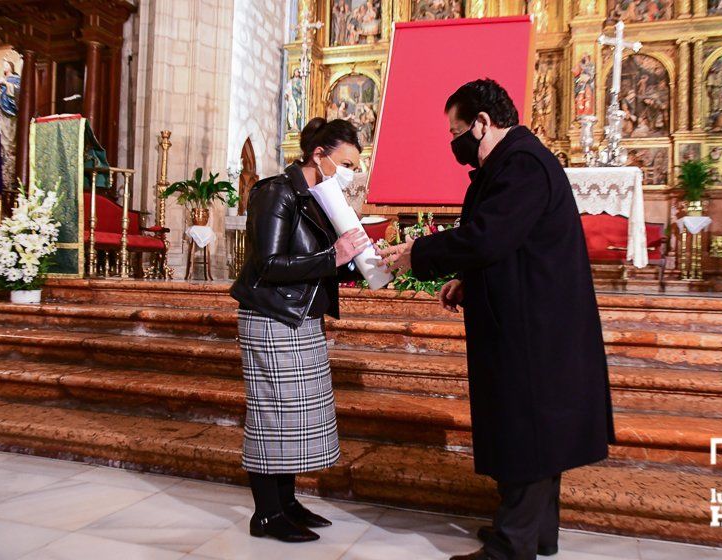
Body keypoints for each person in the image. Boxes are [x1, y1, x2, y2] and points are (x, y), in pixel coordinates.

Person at [378, 79, 615, 560]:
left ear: (483, 123)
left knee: (528, 427)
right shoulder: (514, 162)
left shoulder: (522, 164)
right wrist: (469, 281)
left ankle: (512, 546)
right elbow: (515, 243)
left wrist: (416, 254)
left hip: (535, 326)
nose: (454, 143)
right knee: (533, 426)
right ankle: (535, 532)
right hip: (532, 315)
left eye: (457, 130)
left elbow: (488, 236)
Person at [229, 118, 368, 543]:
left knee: (293, 419)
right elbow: (267, 265)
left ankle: (286, 504)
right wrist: (334, 255)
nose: (350, 174)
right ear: (318, 155)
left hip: (298, 316)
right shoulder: (275, 192)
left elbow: (318, 260)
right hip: (271, 317)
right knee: (272, 416)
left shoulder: (318, 196)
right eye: (345, 164)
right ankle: (266, 515)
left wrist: (360, 264)